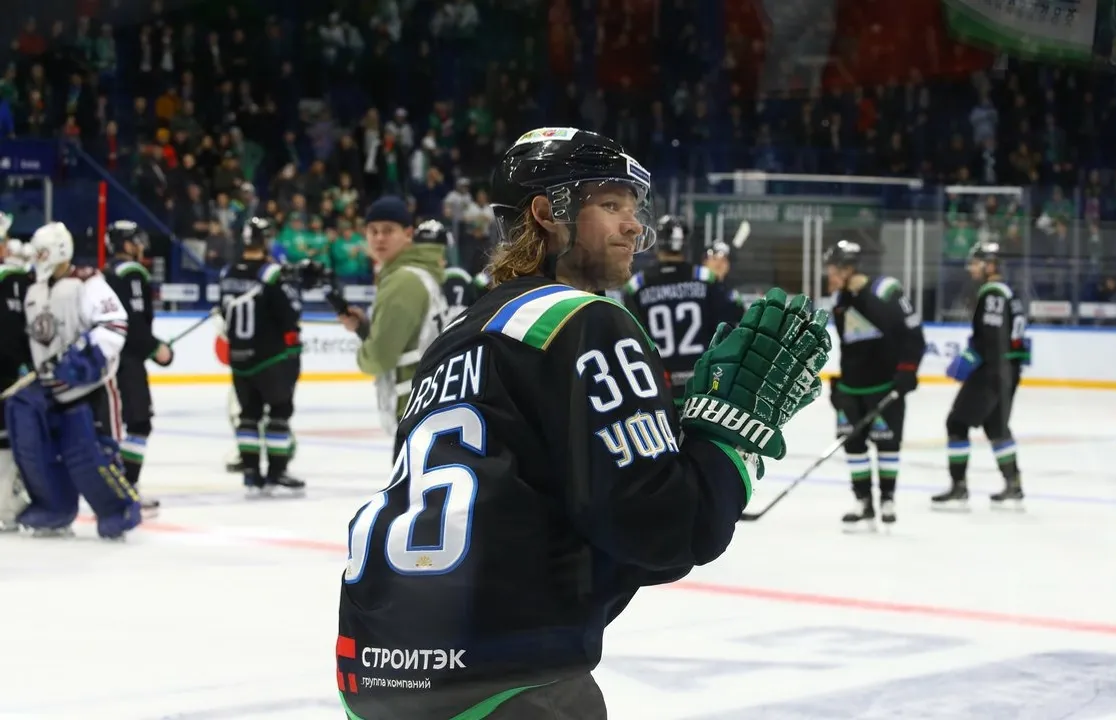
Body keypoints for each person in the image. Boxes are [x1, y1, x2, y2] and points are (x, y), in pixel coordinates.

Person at [334, 126, 831, 719]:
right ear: (548, 213)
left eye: (633, 208)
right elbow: (662, 529)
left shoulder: (455, 338)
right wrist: (727, 438)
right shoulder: (583, 322)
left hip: (377, 671)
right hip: (504, 678)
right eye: (611, 204)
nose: (633, 226)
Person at [4, 221, 141, 539]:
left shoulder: (87, 282)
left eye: (42, 252)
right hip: (49, 390)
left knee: (91, 455)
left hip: (88, 390)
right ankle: (53, 508)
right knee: (39, 452)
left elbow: (114, 323)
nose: (37, 258)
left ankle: (116, 509)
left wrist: (86, 356)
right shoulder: (34, 290)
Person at [823, 240, 924, 529]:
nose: (829, 274)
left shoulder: (887, 291)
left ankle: (888, 499)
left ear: (847, 268)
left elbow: (913, 335)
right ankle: (863, 501)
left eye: (833, 269)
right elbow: (850, 346)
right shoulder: (840, 301)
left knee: (887, 443)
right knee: (853, 444)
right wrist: (842, 385)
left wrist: (907, 371)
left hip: (884, 384)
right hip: (852, 387)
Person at [337, 197, 450, 436]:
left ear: (408, 234)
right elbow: (412, 341)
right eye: (373, 231)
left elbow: (379, 358)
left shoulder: (402, 281)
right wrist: (365, 328)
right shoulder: (420, 273)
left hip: (413, 410)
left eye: (388, 230)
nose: (379, 238)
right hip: (429, 406)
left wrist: (365, 353)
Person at [932, 241, 1029, 510]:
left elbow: (992, 339)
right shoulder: (1008, 292)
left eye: (976, 263)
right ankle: (1013, 484)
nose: (971, 268)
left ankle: (959, 487)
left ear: (990, 265)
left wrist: (970, 359)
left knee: (956, 423)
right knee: (996, 426)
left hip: (992, 371)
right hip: (1009, 369)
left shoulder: (992, 294)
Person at [217, 216, 305, 496]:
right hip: (270, 358)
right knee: (279, 412)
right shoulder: (271, 274)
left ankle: (251, 475)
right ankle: (276, 474)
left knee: (248, 415)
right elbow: (290, 315)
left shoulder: (228, 273)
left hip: (240, 360)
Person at [623, 215, 744, 404]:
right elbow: (732, 323)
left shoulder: (636, 286)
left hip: (656, 388)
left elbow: (629, 340)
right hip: (702, 387)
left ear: (657, 244)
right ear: (685, 244)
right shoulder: (706, 279)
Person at [102, 221, 171, 516]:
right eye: (135, 240)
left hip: (106, 360)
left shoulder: (105, 273)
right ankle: (126, 487)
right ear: (125, 244)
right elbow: (135, 323)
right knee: (138, 423)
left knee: (112, 425)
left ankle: (113, 486)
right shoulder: (132, 274)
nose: (141, 246)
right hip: (128, 360)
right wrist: (157, 350)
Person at [0, 216, 33, 531]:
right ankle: (6, 508)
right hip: (6, 378)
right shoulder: (10, 279)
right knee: (6, 441)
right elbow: (11, 336)